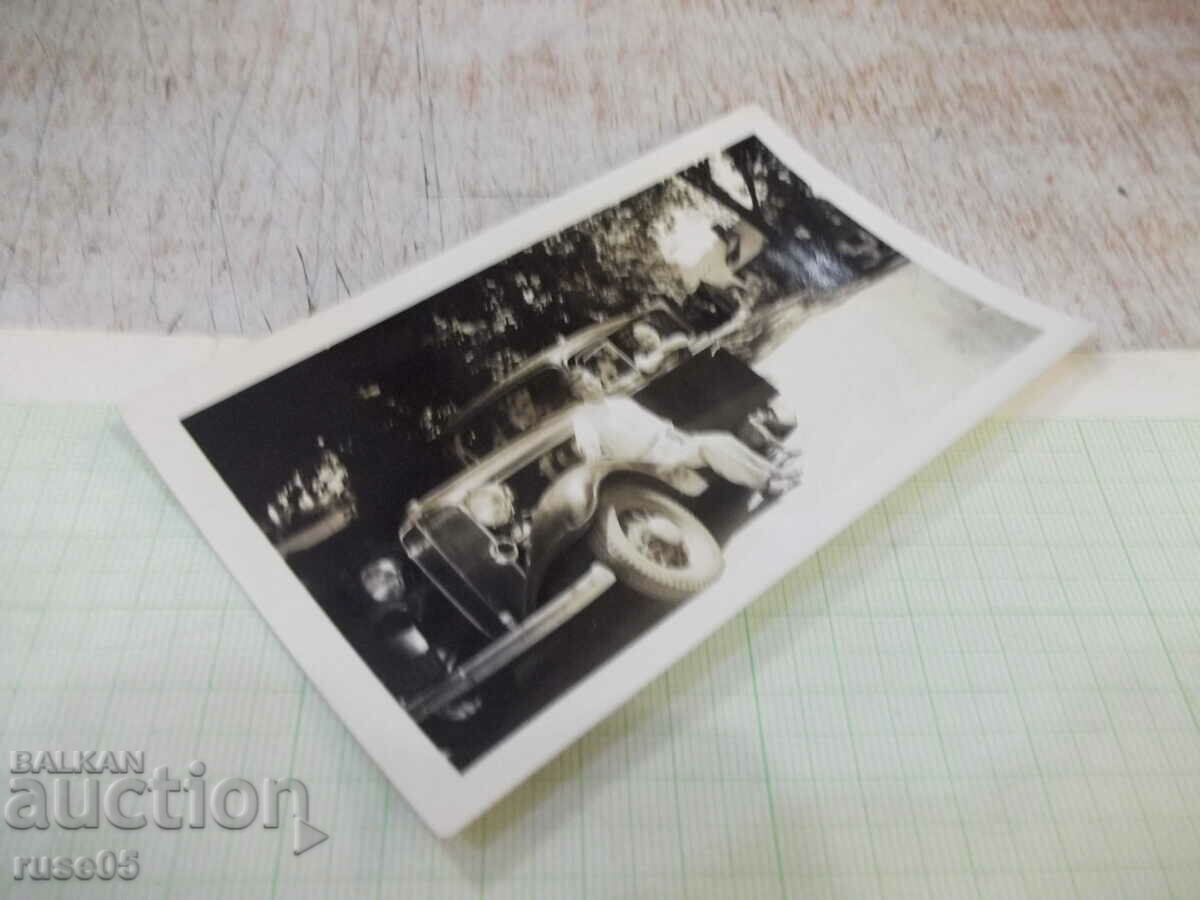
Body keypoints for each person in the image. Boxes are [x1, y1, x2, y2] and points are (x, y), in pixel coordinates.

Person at [566, 367, 796, 494]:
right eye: (583, 387)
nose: (590, 387)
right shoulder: (583, 418)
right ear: (578, 395)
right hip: (648, 463)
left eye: (590, 380)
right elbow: (591, 454)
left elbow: (658, 424)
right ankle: (767, 484)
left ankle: (774, 472)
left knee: (720, 439)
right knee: (710, 448)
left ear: (597, 379)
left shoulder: (620, 402)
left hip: (669, 445)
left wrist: (682, 438)